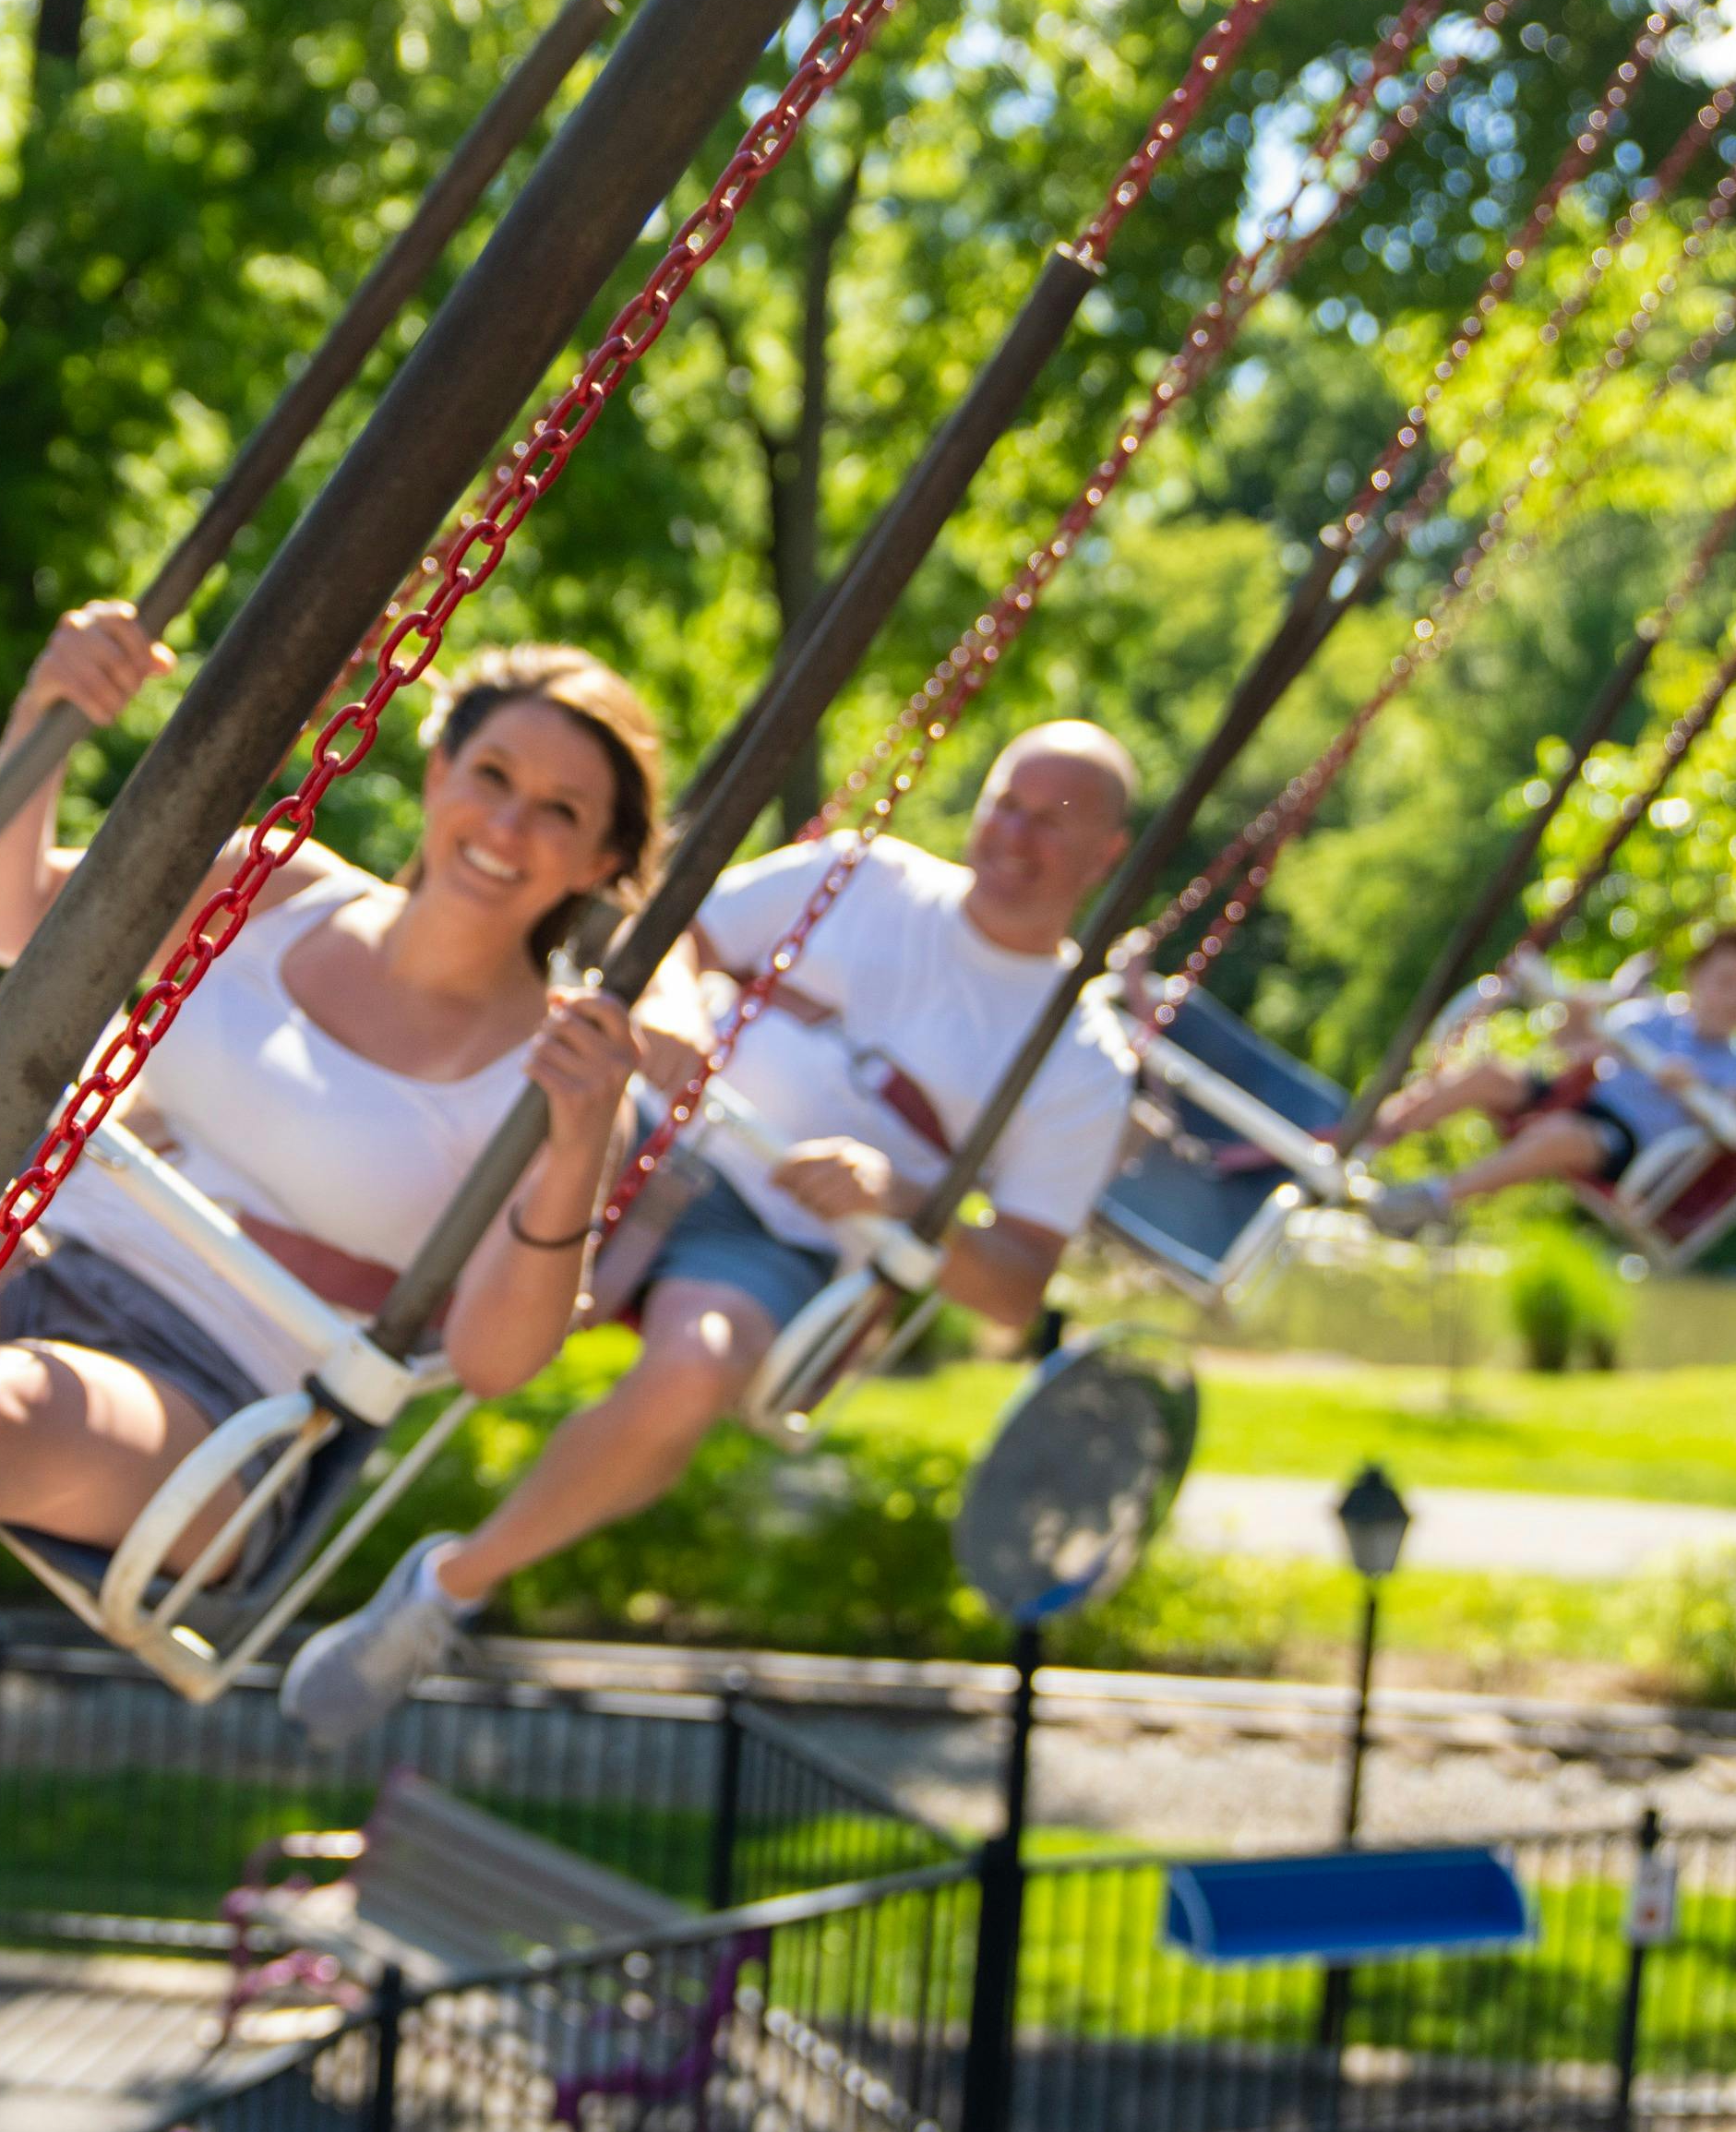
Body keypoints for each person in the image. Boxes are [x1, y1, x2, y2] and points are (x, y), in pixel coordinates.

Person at [0, 609, 653, 1700]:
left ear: (604, 859)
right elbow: (0, 914)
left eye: (560, 812)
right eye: (490, 773)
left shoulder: (556, 1082)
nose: (508, 822)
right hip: (22, 1250)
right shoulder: (275, 887)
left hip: (207, 1393)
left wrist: (583, 1140)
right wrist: (50, 714)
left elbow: (493, 1361)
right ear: (438, 770)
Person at [279, 721, 1146, 1748]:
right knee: (436, 1165)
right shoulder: (857, 876)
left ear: (1106, 854)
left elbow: (1012, 1288)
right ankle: (252, 1379)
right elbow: (681, 932)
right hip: (649, 1128)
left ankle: (443, 1590)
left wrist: (898, 1203)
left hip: (776, 1242)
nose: (1014, 836)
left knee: (695, 1368)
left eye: (1052, 820)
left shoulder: (1079, 1059)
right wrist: (680, 1018)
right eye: (1006, 802)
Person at [1359, 926, 1736, 1238]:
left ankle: (1433, 1198)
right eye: (1726, 982)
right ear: (1695, 978)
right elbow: (1569, 1047)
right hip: (1580, 1099)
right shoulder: (1651, 1016)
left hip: (1624, 1143)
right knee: (1490, 1074)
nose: (1735, 999)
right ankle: (1367, 1141)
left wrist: (1697, 1086)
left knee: (1563, 1136)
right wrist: (1578, 1016)